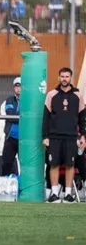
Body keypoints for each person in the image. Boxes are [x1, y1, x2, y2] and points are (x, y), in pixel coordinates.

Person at [42, 68, 86, 203]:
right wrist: (45, 137)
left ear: (71, 78)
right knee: (53, 164)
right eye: (62, 76)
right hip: (54, 137)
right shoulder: (51, 95)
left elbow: (83, 118)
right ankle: (54, 194)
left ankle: (68, 194)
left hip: (72, 136)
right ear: (59, 77)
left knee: (70, 165)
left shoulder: (78, 96)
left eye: (67, 76)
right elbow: (46, 118)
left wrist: (83, 136)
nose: (65, 79)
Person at [1, 77, 21, 176]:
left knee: (25, 165)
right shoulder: (10, 99)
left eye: (21, 86)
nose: (18, 88)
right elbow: (10, 115)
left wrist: (19, 115)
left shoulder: (29, 101)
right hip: (11, 137)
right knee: (7, 163)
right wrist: (23, 116)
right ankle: (4, 186)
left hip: (24, 139)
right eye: (16, 86)